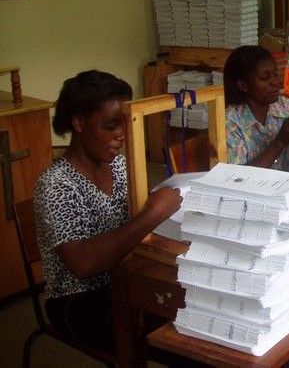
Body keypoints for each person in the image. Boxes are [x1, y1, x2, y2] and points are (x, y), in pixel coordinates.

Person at [34, 70, 183, 354]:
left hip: (124, 278)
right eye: (112, 126)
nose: (122, 136)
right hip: (79, 302)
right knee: (184, 335)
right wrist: (153, 214)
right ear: (79, 123)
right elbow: (84, 264)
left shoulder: (117, 165)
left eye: (125, 125)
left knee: (198, 309)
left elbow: (140, 214)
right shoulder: (56, 185)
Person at [224, 45, 289, 172]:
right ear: (243, 85)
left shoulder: (287, 107)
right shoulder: (230, 122)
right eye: (265, 78)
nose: (275, 82)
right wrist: (280, 141)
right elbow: (236, 179)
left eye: (275, 75)